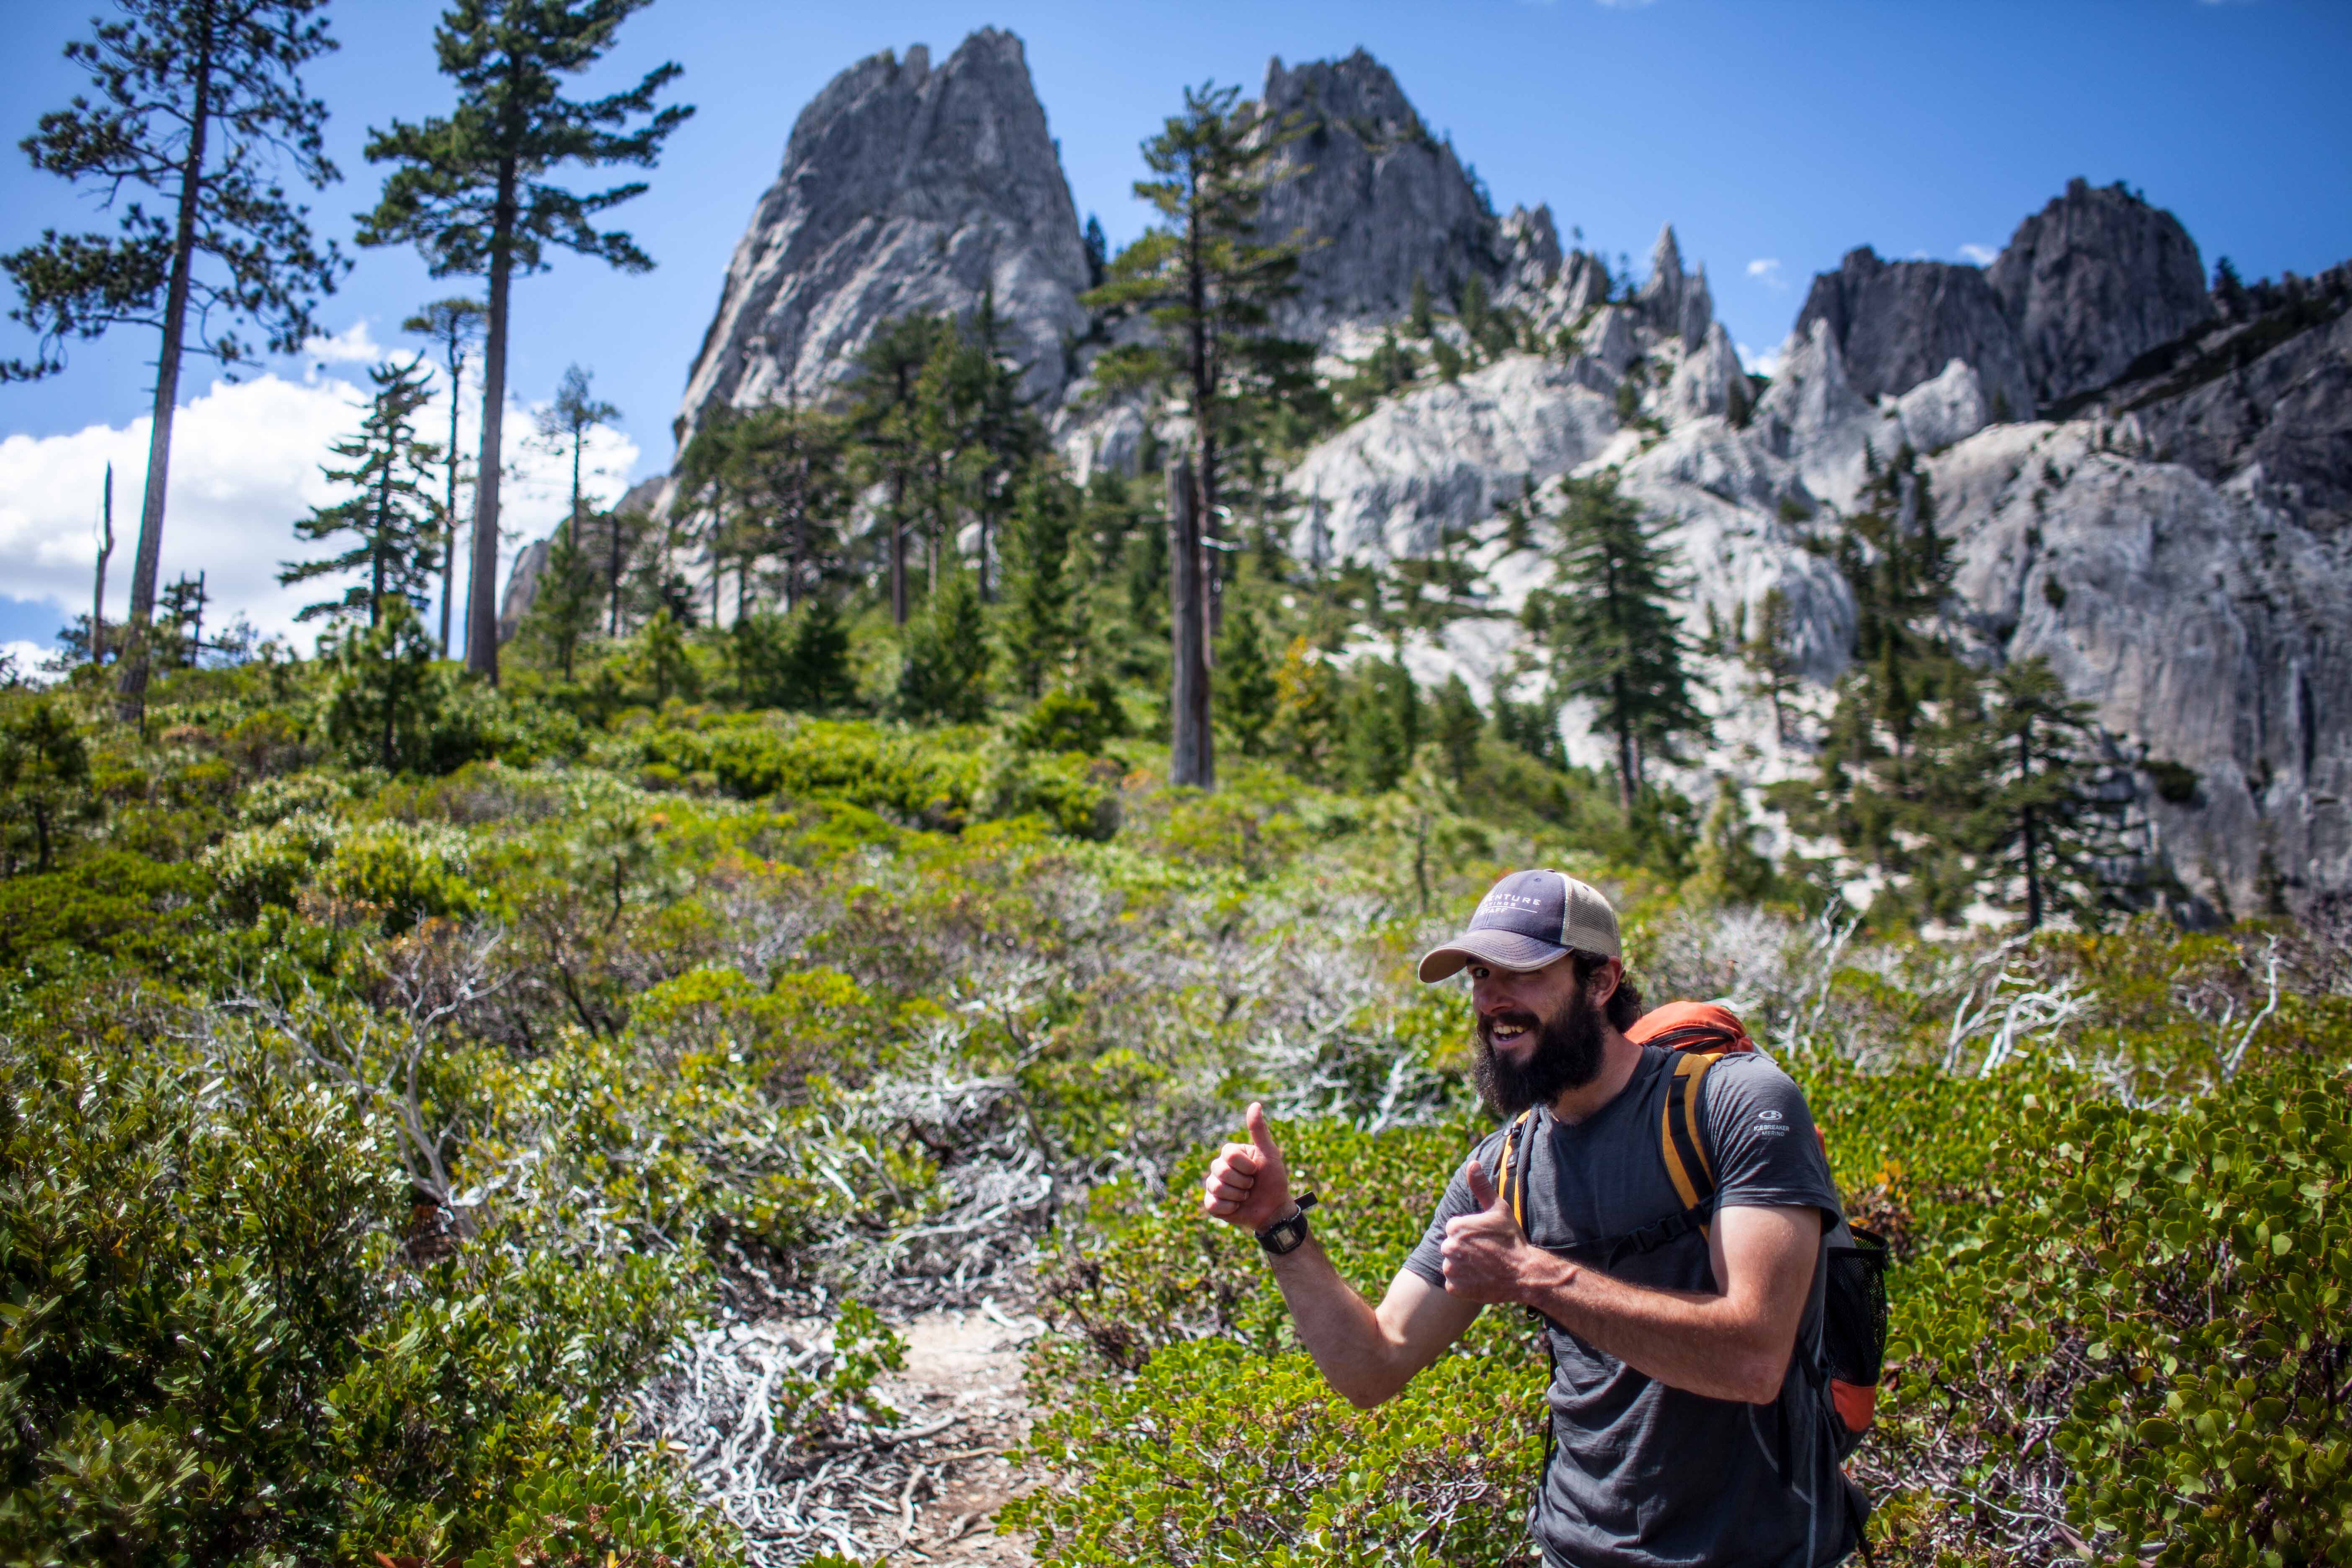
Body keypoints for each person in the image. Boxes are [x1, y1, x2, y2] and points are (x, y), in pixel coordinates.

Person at [1202, 868, 1860, 1568]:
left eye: (1521, 971)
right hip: (1573, 1551)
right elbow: (1373, 1366)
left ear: (1601, 981)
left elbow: (1754, 1358)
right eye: (1481, 974)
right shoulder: (1504, 1168)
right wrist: (1280, 1228)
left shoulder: (1734, 1105)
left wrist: (1533, 1277)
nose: (1492, 999)